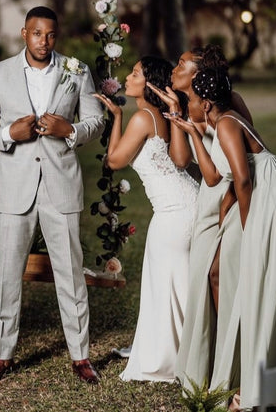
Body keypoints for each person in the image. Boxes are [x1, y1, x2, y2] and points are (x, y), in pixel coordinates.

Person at [0, 6, 105, 384]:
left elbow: (96, 120)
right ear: (23, 32)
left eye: (50, 35)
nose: (43, 41)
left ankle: (80, 356)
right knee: (8, 274)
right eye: (36, 33)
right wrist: (9, 134)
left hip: (61, 185)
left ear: (55, 36)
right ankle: (3, 354)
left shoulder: (76, 71)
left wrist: (70, 129)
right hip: (15, 187)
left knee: (71, 273)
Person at [166, 67, 276, 410]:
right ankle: (247, 375)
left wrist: (247, 228)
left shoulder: (228, 122)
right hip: (253, 196)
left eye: (193, 101)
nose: (192, 106)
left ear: (206, 101)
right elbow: (220, 177)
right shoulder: (221, 121)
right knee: (240, 282)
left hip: (266, 200)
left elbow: (244, 180)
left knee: (257, 283)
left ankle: (255, 388)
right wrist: (194, 135)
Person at [148, 45, 251, 392]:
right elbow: (180, 159)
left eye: (181, 64)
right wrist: (177, 114)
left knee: (222, 275)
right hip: (208, 200)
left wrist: (234, 206)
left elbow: (246, 157)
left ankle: (235, 361)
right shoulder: (185, 107)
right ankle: (211, 362)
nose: (174, 68)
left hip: (233, 196)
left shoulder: (229, 101)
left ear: (198, 75)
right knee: (205, 281)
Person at [96, 56, 199, 382]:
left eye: (136, 73)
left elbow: (114, 161)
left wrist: (117, 118)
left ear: (149, 83)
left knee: (166, 285)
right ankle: (192, 353)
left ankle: (172, 359)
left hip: (172, 212)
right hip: (188, 202)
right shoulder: (163, 114)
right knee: (180, 284)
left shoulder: (143, 118)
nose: (128, 76)